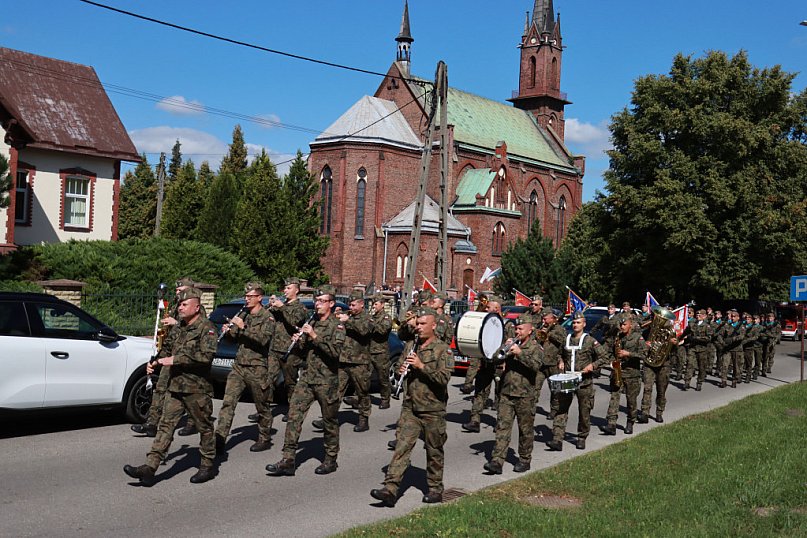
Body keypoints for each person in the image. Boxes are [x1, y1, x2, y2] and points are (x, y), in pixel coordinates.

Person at [124, 287, 218, 486]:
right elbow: (166, 348)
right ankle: (150, 468)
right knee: (165, 426)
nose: (180, 308)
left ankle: (207, 465)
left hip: (196, 389)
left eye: (184, 305)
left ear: (197, 307)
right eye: (180, 304)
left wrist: (176, 360)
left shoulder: (206, 328)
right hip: (175, 386)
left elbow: (206, 356)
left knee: (205, 428)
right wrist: (155, 362)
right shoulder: (179, 328)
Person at [370, 307, 453, 507]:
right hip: (410, 406)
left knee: (434, 450)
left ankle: (434, 489)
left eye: (423, 324)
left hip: (432, 408)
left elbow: (443, 378)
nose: (418, 327)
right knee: (402, 447)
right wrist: (401, 371)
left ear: (434, 326)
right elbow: (400, 366)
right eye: (418, 323)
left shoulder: (443, 349)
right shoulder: (411, 345)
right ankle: (390, 489)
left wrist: (421, 366)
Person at [266, 285, 346, 476]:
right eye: (317, 301)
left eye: (322, 301)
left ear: (331, 304)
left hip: (327, 380)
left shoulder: (338, 326)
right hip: (308, 377)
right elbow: (304, 352)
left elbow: (336, 353)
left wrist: (313, 336)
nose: (318, 305)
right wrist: (299, 340)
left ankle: (330, 458)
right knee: (294, 415)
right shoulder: (313, 321)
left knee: (329, 420)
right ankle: (288, 459)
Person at [131, 277, 199, 437]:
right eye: (177, 291)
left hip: (186, 357)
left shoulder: (196, 308)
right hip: (171, 352)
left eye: (180, 291)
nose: (177, 293)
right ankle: (152, 424)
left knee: (189, 392)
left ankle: (194, 421)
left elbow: (196, 329)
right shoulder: (177, 305)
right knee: (161, 387)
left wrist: (176, 323)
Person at [214, 283, 275, 453]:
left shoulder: (267, 317)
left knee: (262, 405)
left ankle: (264, 436)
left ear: (259, 298)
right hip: (239, 366)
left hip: (257, 367)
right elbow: (235, 339)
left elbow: (263, 340)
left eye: (250, 296)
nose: (246, 299)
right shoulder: (244, 314)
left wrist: (243, 328)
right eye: (246, 296)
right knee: (228, 403)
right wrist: (229, 331)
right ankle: (219, 438)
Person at [484, 316, 542, 474]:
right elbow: (494, 359)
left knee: (525, 430)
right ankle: (497, 461)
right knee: (502, 427)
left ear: (530, 330)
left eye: (521, 329)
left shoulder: (535, 347)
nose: (518, 331)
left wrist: (520, 353)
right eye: (516, 328)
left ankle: (524, 459)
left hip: (525, 396)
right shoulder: (511, 344)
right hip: (506, 393)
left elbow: (536, 366)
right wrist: (505, 348)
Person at [546, 310, 610, 451]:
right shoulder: (567, 339)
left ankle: (582, 437)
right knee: (561, 409)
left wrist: (592, 366)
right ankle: (557, 439)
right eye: (574, 322)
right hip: (567, 380)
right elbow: (559, 354)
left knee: (584, 411)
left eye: (578, 322)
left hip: (584, 382)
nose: (575, 325)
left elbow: (605, 357)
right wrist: (560, 361)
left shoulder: (590, 340)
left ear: (584, 324)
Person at [462, 295, 512, 433]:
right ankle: (475, 420)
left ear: (497, 309)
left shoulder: (507, 324)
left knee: (501, 395)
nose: (486, 309)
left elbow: (510, 345)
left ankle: (500, 423)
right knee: (479, 391)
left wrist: (506, 362)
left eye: (489, 307)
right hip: (485, 363)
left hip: (500, 365)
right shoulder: (485, 322)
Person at [268, 277, 308, 420]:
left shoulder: (300, 308)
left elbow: (294, 321)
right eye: (285, 288)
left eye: (288, 288)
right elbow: (269, 317)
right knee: (268, 380)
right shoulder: (282, 305)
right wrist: (271, 304)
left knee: (290, 382)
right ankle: (264, 410)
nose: (285, 291)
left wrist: (282, 307)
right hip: (275, 348)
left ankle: (293, 410)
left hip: (290, 351)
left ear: (296, 290)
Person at [336, 290, 372, 432]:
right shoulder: (348, 316)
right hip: (343, 359)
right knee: (336, 391)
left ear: (361, 304)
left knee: (362, 392)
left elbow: (364, 331)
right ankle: (330, 418)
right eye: (349, 305)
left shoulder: (367, 318)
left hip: (359, 361)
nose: (351, 307)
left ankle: (364, 419)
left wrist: (348, 321)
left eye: (353, 305)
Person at [603, 316, 645, 435]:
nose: (622, 327)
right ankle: (611, 424)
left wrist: (629, 354)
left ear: (630, 325)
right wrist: (612, 362)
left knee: (631, 401)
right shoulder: (618, 336)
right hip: (618, 372)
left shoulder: (638, 338)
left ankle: (630, 422)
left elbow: (644, 354)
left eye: (624, 324)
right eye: (621, 325)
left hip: (632, 374)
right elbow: (611, 351)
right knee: (614, 398)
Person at [639, 309, 677, 424]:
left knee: (661, 390)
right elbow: (640, 345)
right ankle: (644, 413)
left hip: (663, 364)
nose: (656, 319)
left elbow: (673, 350)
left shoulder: (670, 331)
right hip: (649, 363)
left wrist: (674, 343)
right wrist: (645, 345)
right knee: (647, 388)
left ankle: (659, 412)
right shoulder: (647, 331)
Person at [535, 308, 565, 421]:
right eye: (543, 318)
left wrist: (548, 333)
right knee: (535, 386)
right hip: (541, 363)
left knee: (555, 389)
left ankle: (554, 409)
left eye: (545, 318)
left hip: (554, 363)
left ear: (553, 319)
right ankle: (532, 406)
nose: (544, 320)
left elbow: (562, 341)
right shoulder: (541, 327)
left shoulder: (559, 329)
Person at [368, 293, 393, 409]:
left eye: (376, 304)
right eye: (373, 303)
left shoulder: (386, 317)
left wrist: (371, 323)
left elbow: (383, 330)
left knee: (382, 378)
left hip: (380, 352)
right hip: (369, 351)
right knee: (364, 377)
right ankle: (361, 399)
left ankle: (385, 399)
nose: (374, 306)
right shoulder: (372, 317)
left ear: (382, 305)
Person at [682, 309, 713, 391]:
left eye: (700, 315)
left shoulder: (707, 326)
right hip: (693, 348)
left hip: (702, 349)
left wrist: (697, 338)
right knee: (690, 365)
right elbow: (685, 332)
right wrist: (681, 338)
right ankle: (687, 382)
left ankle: (699, 382)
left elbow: (709, 338)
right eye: (697, 315)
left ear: (704, 316)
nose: (698, 316)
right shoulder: (692, 324)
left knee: (701, 367)